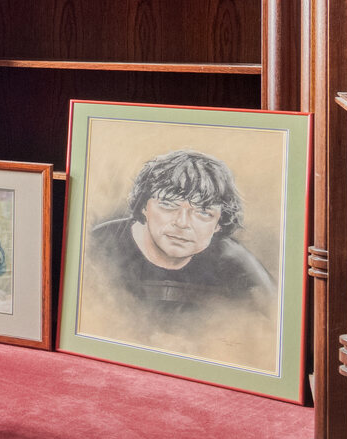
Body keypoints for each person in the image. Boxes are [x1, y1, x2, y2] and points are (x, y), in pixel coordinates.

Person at [84, 148, 276, 368]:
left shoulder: (234, 261)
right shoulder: (97, 248)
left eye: (203, 213)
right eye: (168, 205)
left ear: (219, 224)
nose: (183, 223)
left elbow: (276, 328)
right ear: (144, 206)